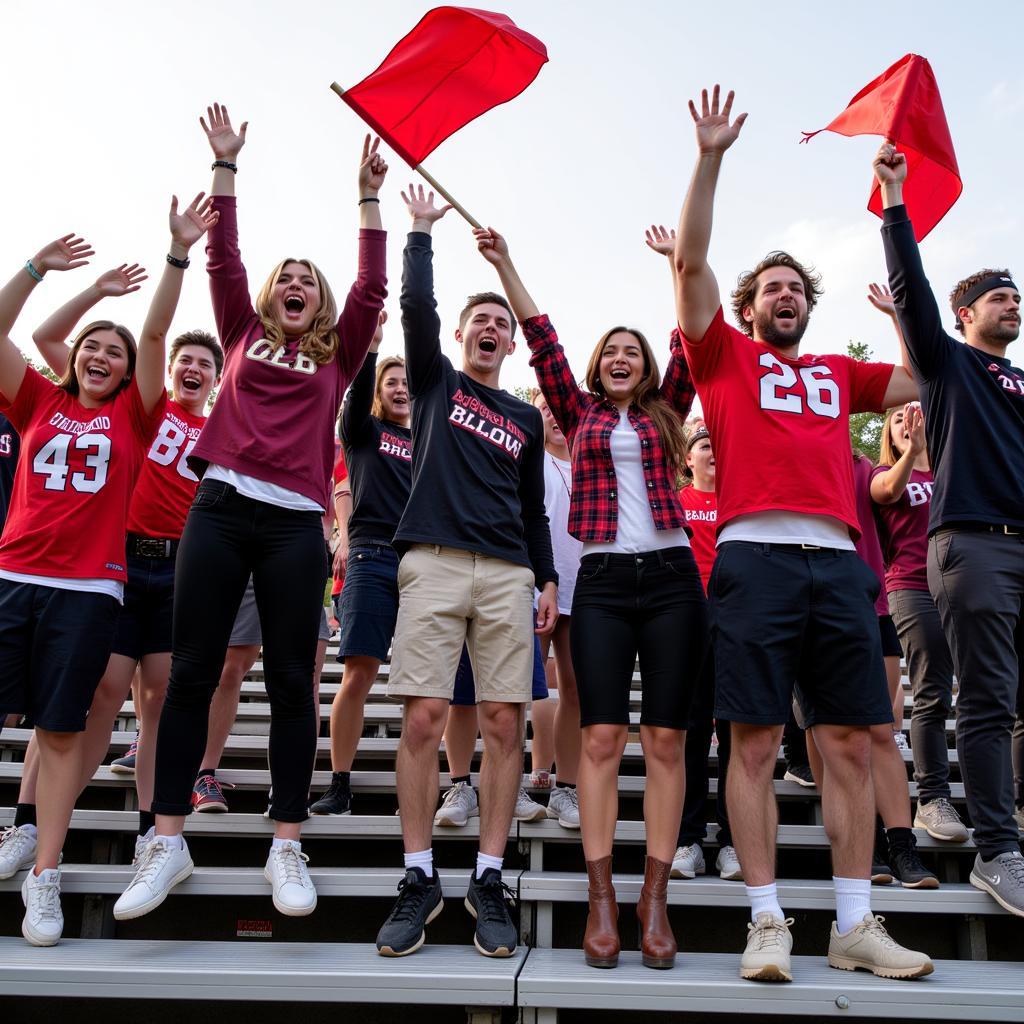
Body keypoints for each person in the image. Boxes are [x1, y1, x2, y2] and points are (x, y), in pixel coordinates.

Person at [674, 85, 931, 982]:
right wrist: (710, 159)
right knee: (750, 741)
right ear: (749, 308)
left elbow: (916, 381)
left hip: (839, 562)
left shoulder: (835, 370)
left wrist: (897, 228)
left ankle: (856, 922)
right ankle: (765, 920)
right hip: (754, 558)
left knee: (854, 741)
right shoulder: (724, 358)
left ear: (808, 306)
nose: (785, 296)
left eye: (796, 288)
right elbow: (692, 264)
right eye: (771, 288)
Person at [114, 104, 388, 922]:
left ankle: (287, 843)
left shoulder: (338, 354)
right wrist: (224, 167)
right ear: (272, 297)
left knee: (297, 680)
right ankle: (166, 840)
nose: (297, 285)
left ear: (323, 301)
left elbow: (373, 287)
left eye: (310, 279)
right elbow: (224, 260)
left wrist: (368, 198)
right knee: (191, 673)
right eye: (288, 279)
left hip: (296, 525)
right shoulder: (239, 331)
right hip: (222, 507)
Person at [476, 223, 708, 971]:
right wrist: (508, 262)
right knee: (602, 738)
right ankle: (602, 899)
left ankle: (655, 899)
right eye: (608, 351)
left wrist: (679, 263)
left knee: (668, 741)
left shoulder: (669, 410)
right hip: (603, 581)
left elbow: (690, 337)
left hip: (673, 579)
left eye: (628, 352)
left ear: (643, 368)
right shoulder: (576, 416)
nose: (618, 359)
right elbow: (541, 340)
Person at [375, 185, 557, 960]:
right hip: (436, 564)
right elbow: (414, 311)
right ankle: (419, 876)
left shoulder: (521, 416)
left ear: (510, 347)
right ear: (460, 335)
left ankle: (489, 874)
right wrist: (420, 233)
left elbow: (533, 511)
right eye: (480, 321)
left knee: (505, 723)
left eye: (502, 325)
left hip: (509, 574)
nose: (492, 328)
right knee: (422, 719)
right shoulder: (435, 383)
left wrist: (546, 578)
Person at [6, 268, 223, 860]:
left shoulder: (212, 429)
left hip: (177, 568)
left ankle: (151, 829)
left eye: (207, 363)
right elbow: (87, 346)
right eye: (187, 359)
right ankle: (30, 820)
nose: (194, 369)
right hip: (112, 559)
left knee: (158, 696)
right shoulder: (137, 407)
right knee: (93, 690)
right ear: (168, 366)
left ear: (216, 377)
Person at [0, 220, 177, 943]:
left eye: (117, 352)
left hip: (88, 588)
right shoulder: (39, 401)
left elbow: (159, 335)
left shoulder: (135, 418)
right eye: (93, 348)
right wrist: (40, 270)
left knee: (62, 728)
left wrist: (174, 258)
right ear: (73, 357)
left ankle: (45, 874)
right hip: (14, 572)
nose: (104, 357)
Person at [875, 140, 1024, 916]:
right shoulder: (948, 367)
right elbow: (911, 292)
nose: (1013, 304)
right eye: (999, 298)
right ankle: (997, 850)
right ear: (967, 316)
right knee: (989, 699)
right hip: (970, 545)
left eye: (1017, 297)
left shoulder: (1021, 382)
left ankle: (1014, 826)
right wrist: (896, 202)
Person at [309, 313, 411, 817]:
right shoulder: (363, 431)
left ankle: (420, 785)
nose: (400, 388)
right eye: (391, 381)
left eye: (407, 382)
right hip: (372, 555)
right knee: (358, 671)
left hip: (424, 563)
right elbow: (352, 404)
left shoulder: (434, 441)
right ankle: (339, 782)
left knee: (425, 684)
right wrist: (372, 350)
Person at [871, 393, 967, 844]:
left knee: (985, 692)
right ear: (889, 435)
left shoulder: (956, 470)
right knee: (932, 690)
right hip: (911, 586)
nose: (909, 420)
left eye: (918, 412)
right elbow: (888, 492)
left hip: (964, 586)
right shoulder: (887, 476)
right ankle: (932, 797)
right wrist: (911, 452)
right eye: (897, 418)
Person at [672, 422, 740, 881]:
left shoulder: (744, 501)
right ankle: (689, 839)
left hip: (738, 621)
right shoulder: (677, 501)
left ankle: (733, 842)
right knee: (692, 732)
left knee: (738, 734)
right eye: (703, 444)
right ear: (687, 459)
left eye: (719, 442)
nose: (712, 450)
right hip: (688, 621)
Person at [526, 388, 581, 829]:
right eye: (544, 408)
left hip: (583, 585)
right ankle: (528, 772)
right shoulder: (529, 459)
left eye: (558, 406)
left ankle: (567, 787)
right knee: (522, 684)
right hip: (535, 584)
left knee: (576, 688)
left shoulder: (590, 461)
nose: (554, 415)